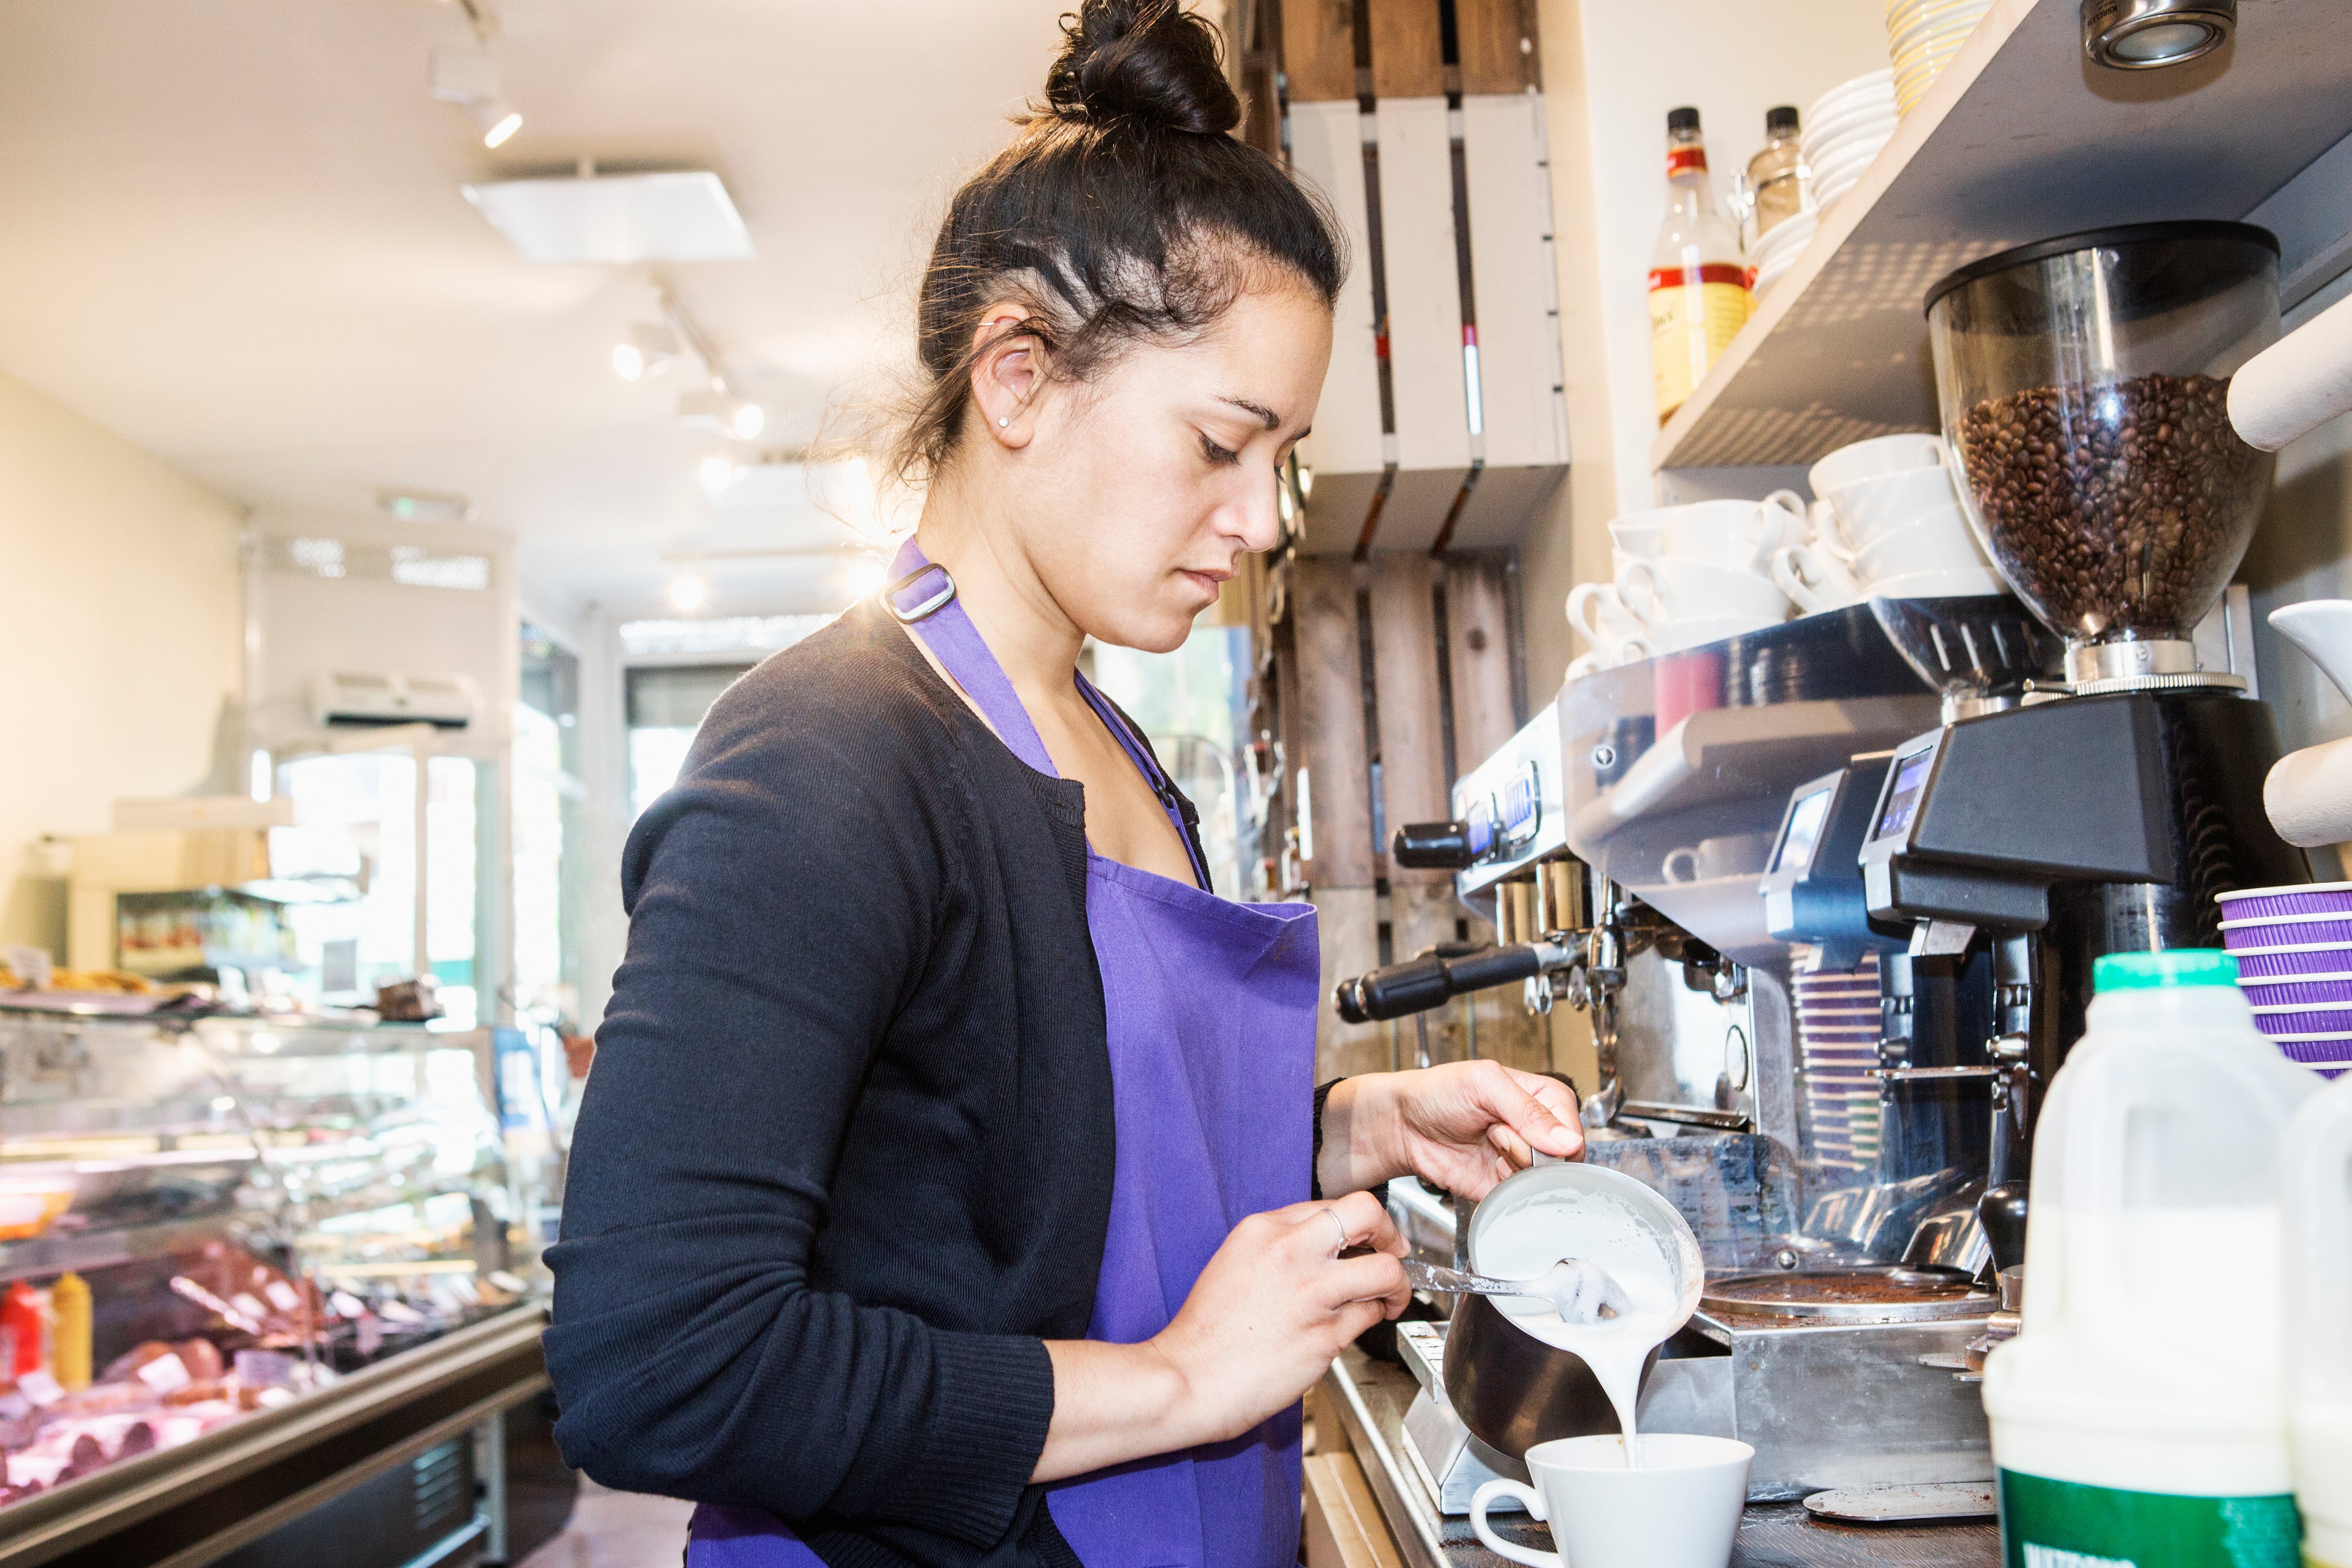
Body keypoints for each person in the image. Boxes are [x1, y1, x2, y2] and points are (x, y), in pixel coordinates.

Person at [542, 4, 1584, 1565]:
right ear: (1017, 377)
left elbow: (1018, 1169)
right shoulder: (824, 757)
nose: (1260, 517)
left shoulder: (1108, 742)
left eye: (1283, 458)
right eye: (1222, 444)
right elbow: (661, 1365)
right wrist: (1176, 1379)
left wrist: (1345, 1128)